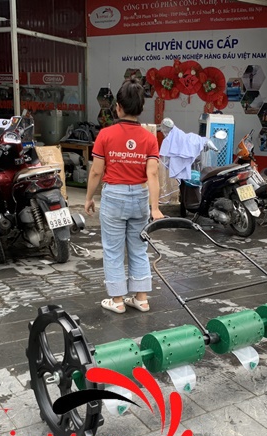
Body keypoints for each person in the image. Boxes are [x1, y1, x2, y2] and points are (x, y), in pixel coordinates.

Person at [85, 78, 164, 314]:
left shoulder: (105, 135)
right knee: (139, 248)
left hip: (114, 197)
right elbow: (152, 174)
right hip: (140, 197)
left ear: (118, 107)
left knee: (113, 250)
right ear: (141, 108)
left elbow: (96, 171)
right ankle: (141, 299)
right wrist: (155, 207)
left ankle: (118, 300)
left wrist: (88, 198)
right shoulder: (149, 138)